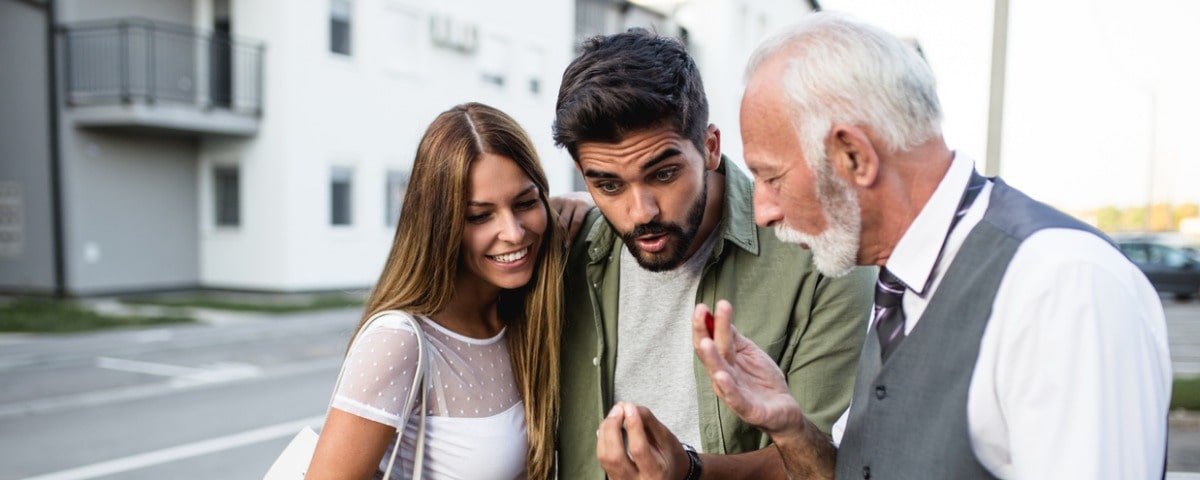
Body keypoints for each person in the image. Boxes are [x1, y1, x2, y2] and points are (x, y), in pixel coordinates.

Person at [692, 12, 1172, 479]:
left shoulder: (1062, 286)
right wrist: (788, 427)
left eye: (772, 177)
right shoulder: (899, 287)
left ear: (854, 156)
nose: (763, 211)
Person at [552, 28, 876, 479]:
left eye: (664, 174)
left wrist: (688, 472)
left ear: (710, 147)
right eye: (608, 184)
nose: (641, 212)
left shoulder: (822, 260)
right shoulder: (564, 252)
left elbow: (823, 461)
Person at [306, 102, 564, 479]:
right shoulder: (400, 342)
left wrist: (583, 204)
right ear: (439, 225)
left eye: (525, 203)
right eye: (479, 216)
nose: (513, 232)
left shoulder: (527, 314)